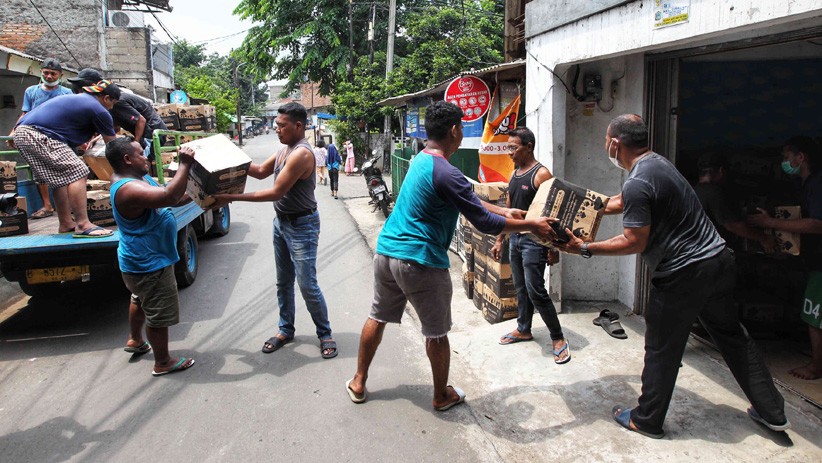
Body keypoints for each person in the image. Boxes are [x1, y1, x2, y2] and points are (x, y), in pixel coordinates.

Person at [554, 114, 788, 438]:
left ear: (614, 144)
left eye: (605, 141)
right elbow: (622, 201)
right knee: (733, 337)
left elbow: (634, 241)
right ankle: (772, 411)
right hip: (718, 262)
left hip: (684, 274)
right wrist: (582, 202)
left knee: (662, 347)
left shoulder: (637, 180)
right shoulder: (657, 164)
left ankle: (645, 419)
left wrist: (584, 247)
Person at [345, 101, 556, 411]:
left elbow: (470, 201)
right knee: (436, 333)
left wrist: (505, 210)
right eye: (461, 129)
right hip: (419, 261)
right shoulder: (447, 171)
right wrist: (531, 224)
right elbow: (483, 221)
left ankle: (358, 381)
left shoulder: (422, 159)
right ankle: (441, 395)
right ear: (455, 130)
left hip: (387, 252)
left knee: (377, 316)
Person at [213, 102, 337, 359]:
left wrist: (231, 196)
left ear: (298, 126)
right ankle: (286, 329)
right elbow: (258, 172)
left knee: (307, 284)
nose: (276, 129)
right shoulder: (284, 149)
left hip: (303, 225)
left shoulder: (301, 154)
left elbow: (275, 192)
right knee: (283, 282)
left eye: (281, 126)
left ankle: (325, 333)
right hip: (282, 223)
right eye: (276, 125)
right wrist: (226, 154)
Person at [106, 137, 196, 376]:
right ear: (127, 159)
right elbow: (168, 196)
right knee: (157, 313)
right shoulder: (128, 188)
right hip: (149, 262)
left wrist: (199, 197)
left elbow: (168, 198)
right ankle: (163, 362)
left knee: (140, 298)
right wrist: (184, 164)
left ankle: (135, 339)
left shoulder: (137, 178)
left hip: (140, 260)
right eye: (140, 153)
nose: (146, 157)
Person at [491, 127, 569, 364]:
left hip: (535, 242)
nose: (509, 152)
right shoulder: (515, 173)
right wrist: (500, 239)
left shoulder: (542, 174)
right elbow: (509, 206)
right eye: (508, 148)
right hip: (516, 239)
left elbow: (554, 213)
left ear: (528, 147)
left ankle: (558, 338)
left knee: (536, 289)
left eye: (513, 148)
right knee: (520, 287)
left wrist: (554, 248)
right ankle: (523, 329)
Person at [748, 136, 822, 380]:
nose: (784, 161)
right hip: (813, 260)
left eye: (787, 156)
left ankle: (815, 367)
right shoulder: (806, 184)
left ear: (801, 157)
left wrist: (770, 223)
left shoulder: (816, 184)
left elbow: (815, 224)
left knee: (814, 314)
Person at [13, 80, 122, 237]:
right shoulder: (99, 109)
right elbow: (113, 147)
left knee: (60, 179)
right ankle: (83, 224)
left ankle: (65, 223)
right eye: (113, 103)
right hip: (37, 134)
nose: (112, 108)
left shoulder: (80, 100)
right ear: (106, 98)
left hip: (25, 133)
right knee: (79, 170)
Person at [7, 58, 72, 220]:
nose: (49, 76)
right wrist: (14, 131)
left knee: (63, 170)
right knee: (38, 170)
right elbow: (25, 114)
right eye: (46, 73)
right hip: (36, 135)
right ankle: (47, 205)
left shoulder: (66, 93)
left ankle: (69, 206)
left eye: (53, 74)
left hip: (58, 135)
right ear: (41, 73)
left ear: (60, 75)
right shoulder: (31, 91)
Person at [69, 68, 169, 158]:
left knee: (140, 159)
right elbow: (115, 127)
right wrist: (99, 138)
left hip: (152, 132)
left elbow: (141, 120)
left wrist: (136, 142)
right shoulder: (106, 102)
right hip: (148, 132)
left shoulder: (115, 102)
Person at [693, 151, 776, 252]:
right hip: (711, 253)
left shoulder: (694, 190)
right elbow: (733, 226)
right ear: (721, 170)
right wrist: (764, 238)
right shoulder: (714, 192)